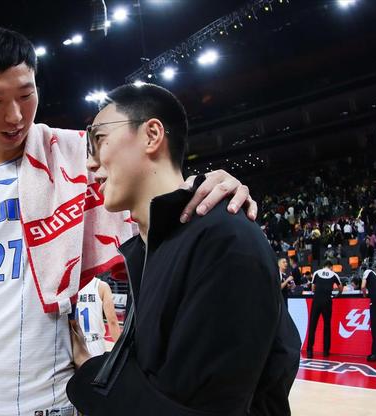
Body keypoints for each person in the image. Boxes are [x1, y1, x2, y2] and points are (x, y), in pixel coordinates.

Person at [0, 28, 259, 416]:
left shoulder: (76, 155)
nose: (15, 116)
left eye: (26, 95)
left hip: (54, 399)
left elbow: (153, 173)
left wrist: (207, 183)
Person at [66, 83, 300, 415]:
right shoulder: (153, 247)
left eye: (99, 139)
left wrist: (90, 372)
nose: (90, 163)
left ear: (151, 135)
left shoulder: (224, 239)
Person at [76, 277, 121, 356]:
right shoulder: (102, 286)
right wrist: (120, 350)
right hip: (95, 344)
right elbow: (112, 321)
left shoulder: (68, 287)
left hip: (74, 344)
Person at [306, 261, 343, 358]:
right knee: (327, 326)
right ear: (331, 267)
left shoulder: (316, 273)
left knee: (313, 325)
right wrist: (337, 294)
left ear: (323, 266)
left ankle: (309, 351)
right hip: (327, 301)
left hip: (317, 300)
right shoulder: (334, 274)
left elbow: (313, 288)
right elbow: (341, 288)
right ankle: (326, 351)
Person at [361, 266, 376, 362]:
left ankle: (375, 354)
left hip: (375, 300)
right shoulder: (375, 278)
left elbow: (363, 286)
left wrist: (364, 295)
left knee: (375, 328)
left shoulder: (367, 272)